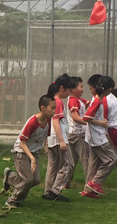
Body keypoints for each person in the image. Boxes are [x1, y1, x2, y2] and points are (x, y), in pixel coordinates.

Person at [2, 95, 55, 207]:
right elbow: (22, 142)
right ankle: (12, 201)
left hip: (34, 152)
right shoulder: (33, 122)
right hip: (22, 151)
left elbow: (46, 135)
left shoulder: (48, 120)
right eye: (52, 108)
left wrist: (45, 146)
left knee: (35, 180)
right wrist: (32, 159)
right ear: (43, 108)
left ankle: (10, 177)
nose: (54, 111)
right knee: (27, 180)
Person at [43, 73, 75, 202]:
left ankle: (48, 191)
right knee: (67, 165)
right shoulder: (58, 102)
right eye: (68, 90)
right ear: (62, 88)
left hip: (52, 138)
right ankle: (56, 191)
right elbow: (56, 121)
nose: (69, 93)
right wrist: (62, 140)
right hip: (58, 138)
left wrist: (46, 141)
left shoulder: (51, 102)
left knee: (53, 166)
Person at [66, 75, 90, 187]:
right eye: (80, 87)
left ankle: (65, 182)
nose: (83, 89)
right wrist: (90, 123)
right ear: (72, 89)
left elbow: (91, 105)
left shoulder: (79, 100)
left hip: (72, 134)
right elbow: (75, 117)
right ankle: (89, 185)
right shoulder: (73, 101)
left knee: (72, 161)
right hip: (78, 135)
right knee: (86, 160)